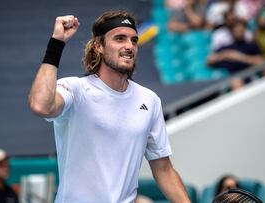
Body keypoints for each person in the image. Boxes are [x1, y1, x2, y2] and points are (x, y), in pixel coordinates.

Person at [28, 10, 192, 203]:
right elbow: (40, 105)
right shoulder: (76, 89)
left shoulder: (150, 100)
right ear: (99, 46)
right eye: (120, 39)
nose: (129, 46)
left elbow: (164, 170)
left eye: (133, 40)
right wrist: (56, 43)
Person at [207, 19, 264, 89]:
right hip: (232, 78)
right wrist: (226, 55)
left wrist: (239, 57)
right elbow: (209, 61)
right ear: (232, 32)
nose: (239, 33)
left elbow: (261, 61)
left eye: (241, 30)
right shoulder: (226, 48)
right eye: (236, 31)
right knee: (236, 82)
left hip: (250, 75)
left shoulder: (251, 46)